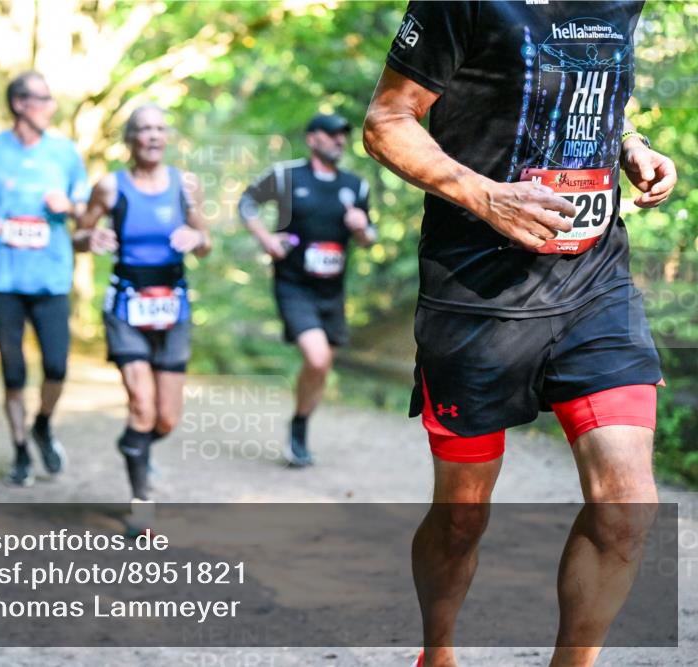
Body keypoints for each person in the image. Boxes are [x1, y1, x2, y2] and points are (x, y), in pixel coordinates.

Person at [363, 3, 676, 666]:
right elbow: (386, 120)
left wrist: (628, 146)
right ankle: (438, 652)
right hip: (476, 293)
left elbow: (597, 90)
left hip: (594, 284)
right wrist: (484, 195)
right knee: (462, 517)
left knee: (628, 506)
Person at [0, 71, 89, 487]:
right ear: (18, 104)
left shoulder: (65, 152)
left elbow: (85, 210)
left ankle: (43, 425)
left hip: (50, 277)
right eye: (42, 99)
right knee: (14, 373)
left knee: (56, 367)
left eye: (51, 99)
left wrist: (68, 205)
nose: (50, 106)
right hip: (4, 282)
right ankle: (19, 449)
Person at [75, 104, 211, 502]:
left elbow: (206, 244)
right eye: (144, 129)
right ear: (130, 139)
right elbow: (78, 236)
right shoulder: (110, 187)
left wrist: (196, 238)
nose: (152, 135)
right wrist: (92, 239)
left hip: (174, 307)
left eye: (159, 129)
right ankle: (141, 505)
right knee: (141, 405)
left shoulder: (185, 185)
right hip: (127, 306)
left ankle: (135, 445)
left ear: (166, 138)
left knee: (165, 419)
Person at [238, 113, 376, 467]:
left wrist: (361, 230)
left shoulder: (355, 186)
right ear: (313, 139)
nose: (340, 141)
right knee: (318, 358)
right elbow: (247, 202)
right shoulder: (286, 176)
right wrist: (266, 239)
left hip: (332, 291)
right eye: (332, 135)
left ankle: (300, 424)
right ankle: (299, 426)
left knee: (321, 366)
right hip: (293, 284)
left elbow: (369, 237)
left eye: (343, 136)